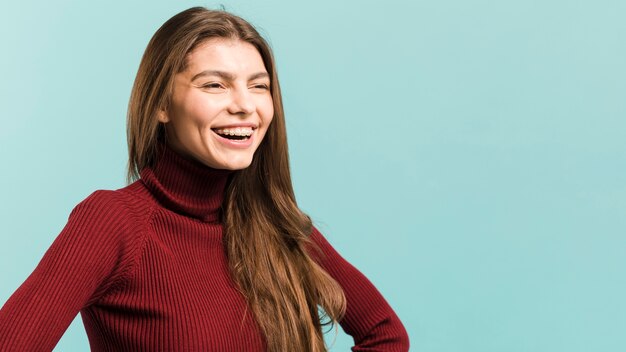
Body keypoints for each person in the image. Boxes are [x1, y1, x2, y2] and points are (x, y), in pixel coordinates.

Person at [0, 7, 409, 351]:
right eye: (215, 84)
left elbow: (386, 335)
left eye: (258, 86)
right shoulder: (112, 223)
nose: (244, 106)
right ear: (161, 103)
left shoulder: (278, 225)